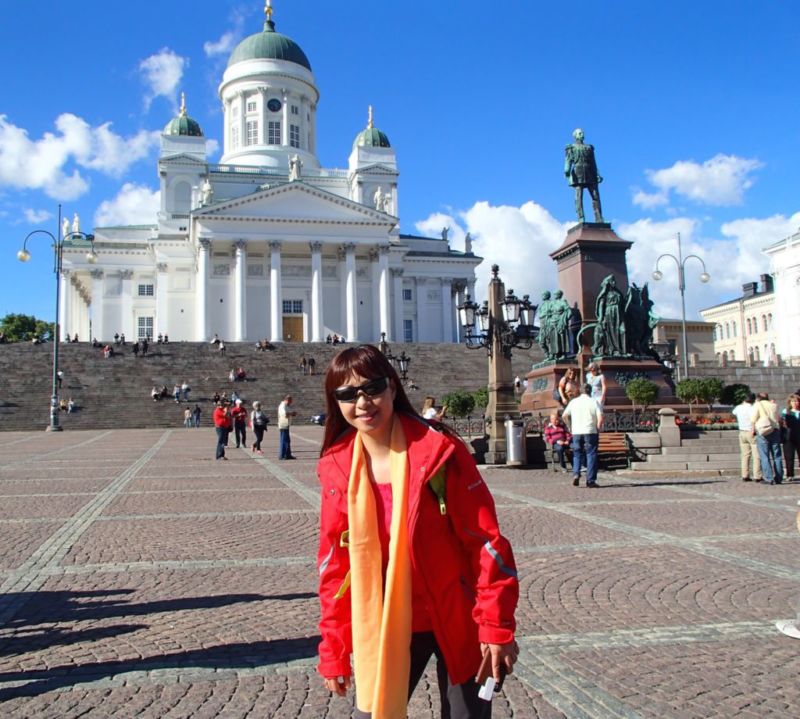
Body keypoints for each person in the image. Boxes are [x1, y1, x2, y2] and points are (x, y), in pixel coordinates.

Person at [316, 344, 519, 717]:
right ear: (336, 402)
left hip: (457, 615)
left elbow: (485, 543)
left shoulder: (439, 451)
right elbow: (336, 567)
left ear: (393, 387)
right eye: (347, 394)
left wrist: (496, 626)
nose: (362, 402)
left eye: (372, 388)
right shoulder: (337, 467)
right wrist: (334, 647)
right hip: (388, 620)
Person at [563, 383, 603, 487]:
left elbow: (564, 415)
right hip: (590, 431)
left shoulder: (574, 402)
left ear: (580, 391)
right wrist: (597, 428)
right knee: (591, 454)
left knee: (577, 454)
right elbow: (600, 418)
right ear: (590, 391)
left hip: (576, 431)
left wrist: (569, 426)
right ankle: (590, 480)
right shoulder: (594, 402)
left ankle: (576, 474)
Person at [564, 127, 604, 223]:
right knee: (579, 196)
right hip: (578, 172)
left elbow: (593, 162)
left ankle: (599, 218)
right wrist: (567, 170)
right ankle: (581, 217)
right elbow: (568, 161)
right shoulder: (571, 148)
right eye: (580, 133)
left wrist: (597, 174)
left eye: (582, 133)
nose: (582, 134)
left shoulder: (589, 148)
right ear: (575, 136)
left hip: (590, 172)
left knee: (595, 195)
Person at [750, 392, 783, 484]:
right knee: (777, 456)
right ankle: (779, 478)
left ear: (758, 398)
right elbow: (778, 419)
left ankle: (769, 478)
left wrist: (752, 430)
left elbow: (753, 419)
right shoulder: (774, 405)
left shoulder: (758, 405)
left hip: (763, 431)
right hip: (775, 430)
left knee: (764, 456)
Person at [732, 393, 762, 482]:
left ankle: (745, 475)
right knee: (756, 455)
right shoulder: (752, 408)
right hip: (751, 431)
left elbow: (734, 412)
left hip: (742, 432)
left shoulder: (738, 407)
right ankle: (757, 475)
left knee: (745, 455)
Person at [781, 394, 800, 480]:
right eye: (793, 401)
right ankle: (790, 474)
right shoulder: (786, 412)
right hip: (789, 437)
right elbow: (782, 423)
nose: (795, 403)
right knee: (789, 457)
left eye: (796, 401)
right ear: (789, 402)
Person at [278, 395, 297, 460]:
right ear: (287, 400)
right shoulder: (282, 406)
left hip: (286, 424)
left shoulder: (286, 406)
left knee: (287, 440)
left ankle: (288, 454)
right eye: (290, 401)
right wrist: (292, 413)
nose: (290, 403)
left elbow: (287, 413)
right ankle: (282, 455)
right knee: (284, 440)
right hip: (283, 425)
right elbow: (285, 414)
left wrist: (292, 414)